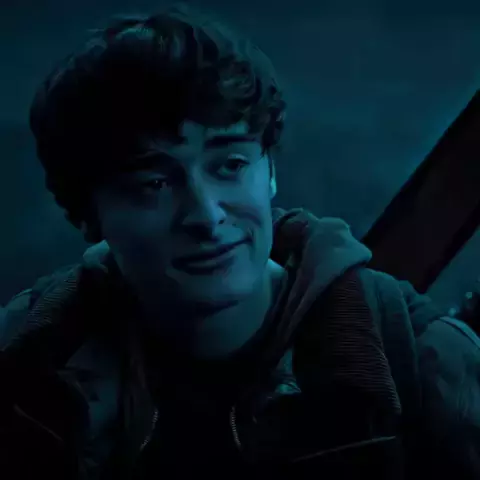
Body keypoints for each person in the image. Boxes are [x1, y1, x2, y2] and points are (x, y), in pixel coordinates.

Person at [1, 5, 479, 479]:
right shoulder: (26, 358)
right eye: (153, 184)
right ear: (88, 214)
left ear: (269, 171)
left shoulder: (421, 360)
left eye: (230, 165)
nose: (206, 216)